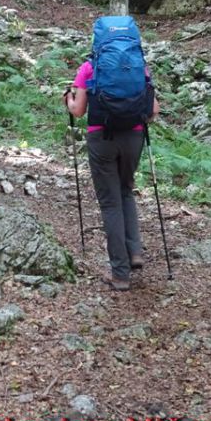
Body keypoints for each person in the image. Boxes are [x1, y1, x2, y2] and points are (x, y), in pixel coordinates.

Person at [63, 18, 160, 292]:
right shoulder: (140, 66)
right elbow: (153, 111)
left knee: (110, 203)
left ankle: (120, 273)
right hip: (134, 136)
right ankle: (135, 252)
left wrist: (68, 100)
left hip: (101, 138)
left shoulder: (89, 67)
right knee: (126, 190)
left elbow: (79, 110)